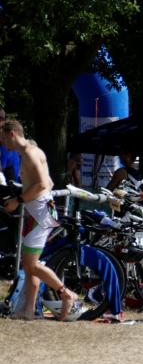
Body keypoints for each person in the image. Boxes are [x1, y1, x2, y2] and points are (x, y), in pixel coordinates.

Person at [0, 120, 77, 320]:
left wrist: (18, 200)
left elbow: (42, 184)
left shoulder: (29, 153)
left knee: (31, 265)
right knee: (29, 265)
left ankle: (65, 293)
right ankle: (28, 311)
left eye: (2, 138)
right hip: (37, 213)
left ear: (11, 134)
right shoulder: (31, 151)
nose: (2, 142)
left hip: (39, 215)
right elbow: (49, 183)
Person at [0, 108, 21, 182]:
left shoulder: (4, 134)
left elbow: (3, 165)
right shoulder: (9, 130)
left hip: (10, 175)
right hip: (13, 173)